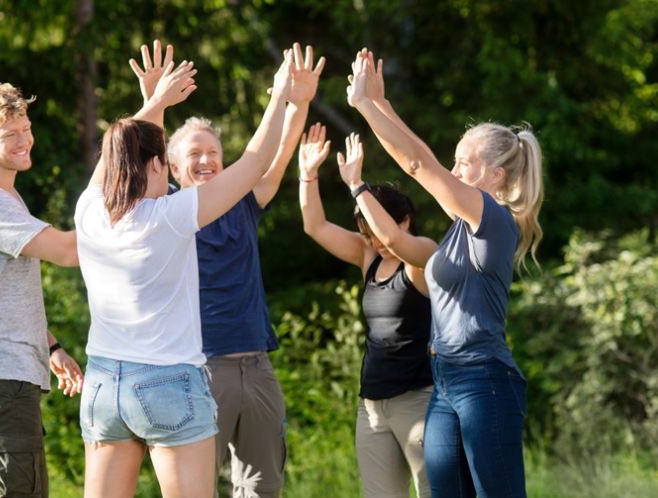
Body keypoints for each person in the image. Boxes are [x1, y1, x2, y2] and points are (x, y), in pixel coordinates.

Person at [74, 44, 295, 498]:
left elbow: (118, 155)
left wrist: (155, 103)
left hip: (103, 384)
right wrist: (279, 96)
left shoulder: (89, 209)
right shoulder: (169, 216)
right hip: (166, 381)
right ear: (159, 165)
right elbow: (255, 162)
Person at [346, 49, 544, 498]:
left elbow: (420, 164)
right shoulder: (459, 227)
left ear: (495, 176)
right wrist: (381, 103)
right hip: (446, 380)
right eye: (454, 162)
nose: (453, 171)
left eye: (464, 164)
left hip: (484, 380)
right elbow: (423, 161)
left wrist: (364, 105)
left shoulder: (492, 219)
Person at [131, 42, 323, 497]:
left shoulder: (242, 202)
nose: (206, 160)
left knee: (263, 486)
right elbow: (136, 165)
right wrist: (154, 103)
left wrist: (299, 102)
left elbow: (276, 156)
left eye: (212, 152)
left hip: (257, 365)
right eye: (194, 154)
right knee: (195, 489)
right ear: (173, 167)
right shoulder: (168, 209)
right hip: (200, 368)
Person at [0, 81, 84, 497]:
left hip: (9, 377)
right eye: (10, 134)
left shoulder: (4, 196)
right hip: (0, 379)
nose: (24, 140)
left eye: (26, 128)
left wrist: (51, 346)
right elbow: (67, 251)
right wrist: (133, 214)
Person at [298, 124, 436, 497]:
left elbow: (394, 239)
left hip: (419, 401)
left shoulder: (422, 256)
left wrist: (357, 185)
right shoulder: (369, 256)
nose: (375, 240)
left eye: (376, 230)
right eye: (367, 234)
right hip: (372, 406)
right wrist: (307, 175)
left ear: (404, 220)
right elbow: (314, 226)